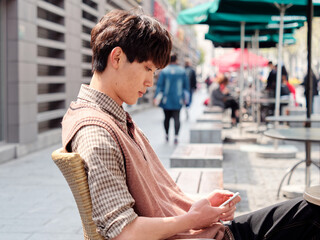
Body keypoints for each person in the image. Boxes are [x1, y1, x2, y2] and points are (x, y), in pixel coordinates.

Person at [61, 9, 320, 240]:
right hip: (198, 234)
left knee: (311, 211)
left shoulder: (112, 119)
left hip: (202, 231)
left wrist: (200, 204)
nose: (151, 82)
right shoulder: (96, 132)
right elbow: (124, 233)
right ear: (116, 58)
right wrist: (193, 219)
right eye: (148, 69)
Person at [154, 54, 189, 144]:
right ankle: (176, 136)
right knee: (177, 117)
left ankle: (166, 135)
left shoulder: (164, 71)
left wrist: (157, 97)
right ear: (176, 60)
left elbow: (160, 86)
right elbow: (186, 87)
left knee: (166, 118)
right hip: (178, 99)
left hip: (166, 99)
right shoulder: (182, 71)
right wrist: (186, 99)